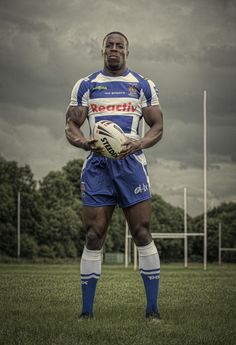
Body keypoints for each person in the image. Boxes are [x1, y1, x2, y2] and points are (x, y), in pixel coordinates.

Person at [65, 32, 163, 321]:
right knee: (94, 235)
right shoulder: (86, 84)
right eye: (110, 45)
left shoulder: (143, 85)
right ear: (103, 50)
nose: (114, 49)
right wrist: (84, 142)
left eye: (120, 46)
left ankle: (152, 311)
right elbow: (71, 125)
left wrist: (140, 142)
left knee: (142, 232)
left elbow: (157, 126)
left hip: (131, 163)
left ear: (127, 52)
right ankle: (86, 312)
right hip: (98, 165)